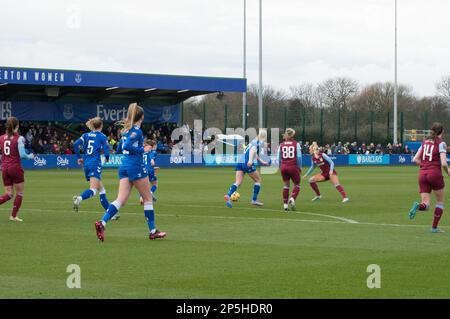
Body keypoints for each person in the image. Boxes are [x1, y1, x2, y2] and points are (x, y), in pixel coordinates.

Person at [94, 103, 166, 241]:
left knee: (120, 200)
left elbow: (121, 147)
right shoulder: (137, 131)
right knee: (147, 198)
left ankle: (102, 223)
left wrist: (137, 147)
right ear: (142, 117)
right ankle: (152, 231)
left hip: (124, 166)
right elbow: (127, 146)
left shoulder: (126, 130)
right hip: (136, 166)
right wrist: (142, 149)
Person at [408, 122, 449, 233]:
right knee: (440, 202)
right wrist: (448, 172)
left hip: (422, 174)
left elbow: (415, 159)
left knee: (426, 205)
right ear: (442, 131)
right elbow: (444, 163)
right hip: (434, 173)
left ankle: (419, 206)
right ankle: (434, 228)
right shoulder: (441, 143)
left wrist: (425, 165)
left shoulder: (424, 142)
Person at [0, 117, 34, 222]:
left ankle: (13, 216)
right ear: (17, 126)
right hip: (15, 167)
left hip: (4, 168)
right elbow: (23, 155)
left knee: (9, 194)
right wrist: (30, 156)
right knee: (19, 193)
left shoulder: (1, 138)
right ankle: (13, 216)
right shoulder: (19, 138)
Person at [224, 130, 270, 208]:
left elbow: (254, 153)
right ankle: (254, 199)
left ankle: (228, 195)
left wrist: (263, 162)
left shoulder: (253, 141)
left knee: (238, 182)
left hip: (240, 162)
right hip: (246, 163)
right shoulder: (258, 143)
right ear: (264, 136)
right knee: (258, 180)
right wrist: (250, 160)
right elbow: (252, 151)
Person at [72, 117, 110, 212]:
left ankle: (111, 213)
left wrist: (79, 157)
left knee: (102, 190)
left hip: (87, 164)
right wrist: (107, 158)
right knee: (93, 190)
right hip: (95, 164)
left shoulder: (85, 135)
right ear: (101, 125)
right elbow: (106, 150)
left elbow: (75, 144)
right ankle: (79, 198)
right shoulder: (102, 136)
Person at [277, 128, 302, 211]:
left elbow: (278, 157)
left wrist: (280, 166)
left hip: (284, 167)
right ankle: (292, 198)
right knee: (297, 184)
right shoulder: (296, 144)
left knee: (286, 185)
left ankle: (285, 205)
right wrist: (299, 167)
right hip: (293, 166)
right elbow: (299, 157)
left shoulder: (281, 144)